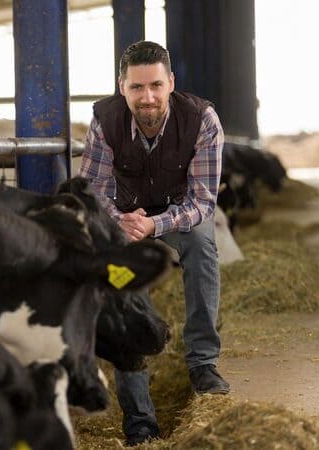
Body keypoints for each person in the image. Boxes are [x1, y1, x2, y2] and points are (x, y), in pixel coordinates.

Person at [79, 40, 230, 446]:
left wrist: (155, 224)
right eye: (136, 87)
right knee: (123, 279)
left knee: (202, 244)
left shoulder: (202, 120)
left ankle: (202, 363)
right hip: (127, 218)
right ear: (122, 87)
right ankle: (140, 419)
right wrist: (121, 222)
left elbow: (203, 203)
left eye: (156, 86)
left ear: (171, 83)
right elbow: (92, 193)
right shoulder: (104, 120)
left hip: (178, 215)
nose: (147, 97)